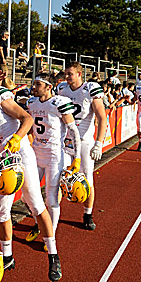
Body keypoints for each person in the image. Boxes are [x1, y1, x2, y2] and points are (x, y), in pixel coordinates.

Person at [0, 70, 61, 279]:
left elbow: (27, 118)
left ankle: (53, 255)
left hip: (20, 154)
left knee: (35, 204)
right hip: (1, 161)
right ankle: (7, 257)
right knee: (1, 211)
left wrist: (16, 139)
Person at [22, 73, 82, 253]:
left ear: (48, 87)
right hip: (36, 153)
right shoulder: (32, 102)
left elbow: (73, 130)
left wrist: (77, 157)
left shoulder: (59, 102)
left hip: (55, 155)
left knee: (51, 198)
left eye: (38, 84)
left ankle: (51, 235)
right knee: (25, 196)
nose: (34, 87)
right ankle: (41, 222)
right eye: (34, 84)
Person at [56, 62, 107, 231]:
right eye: (66, 74)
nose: (67, 77)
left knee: (87, 178)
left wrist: (99, 143)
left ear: (79, 74)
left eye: (70, 74)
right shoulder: (62, 88)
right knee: (59, 177)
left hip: (84, 141)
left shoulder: (90, 89)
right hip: (66, 141)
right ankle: (53, 213)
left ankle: (88, 213)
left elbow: (102, 117)